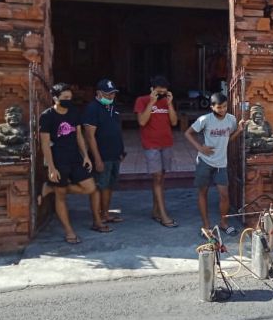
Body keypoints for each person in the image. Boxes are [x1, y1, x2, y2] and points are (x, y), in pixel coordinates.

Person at [39, 83, 111, 244]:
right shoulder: (47, 116)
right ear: (55, 98)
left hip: (75, 158)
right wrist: (51, 167)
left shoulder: (74, 112)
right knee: (61, 196)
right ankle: (69, 231)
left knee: (90, 187)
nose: (68, 101)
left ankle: (51, 188)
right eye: (64, 98)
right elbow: (44, 144)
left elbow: (79, 135)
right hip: (58, 160)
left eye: (70, 98)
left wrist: (85, 155)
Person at [184, 93, 248, 235]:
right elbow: (188, 133)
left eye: (225, 106)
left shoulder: (231, 120)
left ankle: (224, 223)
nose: (222, 110)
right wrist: (200, 148)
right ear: (212, 107)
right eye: (219, 107)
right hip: (204, 162)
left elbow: (227, 140)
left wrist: (238, 130)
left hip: (221, 164)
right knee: (203, 193)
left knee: (224, 195)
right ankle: (206, 226)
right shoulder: (205, 120)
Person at [134, 75, 178, 228]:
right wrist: (151, 103)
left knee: (161, 178)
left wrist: (170, 104)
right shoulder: (142, 100)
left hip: (166, 143)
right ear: (151, 90)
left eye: (164, 93)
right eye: (158, 92)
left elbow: (174, 122)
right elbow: (142, 121)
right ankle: (163, 213)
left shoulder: (166, 101)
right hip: (151, 144)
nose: (161, 95)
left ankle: (155, 210)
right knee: (157, 176)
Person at [83, 79, 126, 224]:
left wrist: (121, 151)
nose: (110, 97)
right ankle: (97, 218)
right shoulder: (92, 108)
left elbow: (117, 130)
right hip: (102, 155)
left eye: (113, 94)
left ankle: (105, 214)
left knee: (109, 185)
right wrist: (97, 159)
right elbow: (89, 136)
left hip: (114, 154)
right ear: (98, 93)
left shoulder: (114, 107)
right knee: (99, 186)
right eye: (107, 94)